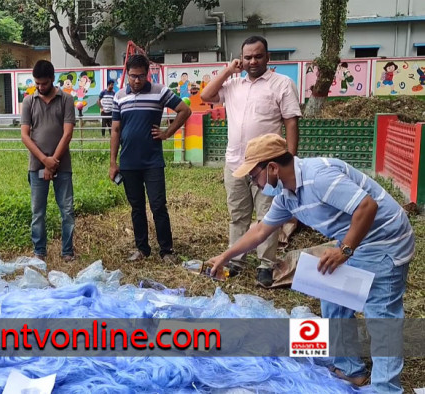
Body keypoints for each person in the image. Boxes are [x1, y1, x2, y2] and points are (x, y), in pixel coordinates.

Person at [207, 133, 413, 393]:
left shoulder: (319, 177)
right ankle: (350, 369)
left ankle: (386, 387)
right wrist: (225, 256)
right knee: (332, 296)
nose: (254, 182)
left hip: (385, 240)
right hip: (354, 240)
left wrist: (344, 251)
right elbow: (260, 231)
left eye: (254, 175)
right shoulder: (287, 195)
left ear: (272, 168)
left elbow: (367, 207)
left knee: (381, 314)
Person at [200, 35, 301, 287]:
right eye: (247, 57)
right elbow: (207, 94)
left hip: (268, 166)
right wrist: (227, 71)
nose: (253, 61)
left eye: (258, 56)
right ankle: (236, 260)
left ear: (267, 57)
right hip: (235, 163)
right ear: (241, 59)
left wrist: (289, 159)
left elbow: (291, 121)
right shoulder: (233, 84)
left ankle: (265, 265)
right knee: (238, 215)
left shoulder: (282, 84)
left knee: (268, 215)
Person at [109, 54, 191, 263]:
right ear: (127, 74)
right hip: (128, 163)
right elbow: (116, 130)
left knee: (158, 206)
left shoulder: (160, 92)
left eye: (141, 76)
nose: (137, 81)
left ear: (148, 74)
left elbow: (184, 110)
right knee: (136, 207)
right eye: (133, 76)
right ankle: (142, 248)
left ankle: (166, 251)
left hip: (152, 162)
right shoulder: (119, 96)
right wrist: (113, 162)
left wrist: (167, 133)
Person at [20, 60, 75, 261]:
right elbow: (25, 135)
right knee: (38, 212)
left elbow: (67, 133)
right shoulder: (29, 101)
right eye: (37, 83)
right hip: (36, 166)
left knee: (67, 210)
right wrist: (45, 160)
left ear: (52, 79)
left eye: (44, 83)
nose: (40, 87)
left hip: (63, 165)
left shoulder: (66, 100)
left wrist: (54, 161)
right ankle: (39, 251)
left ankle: (67, 251)